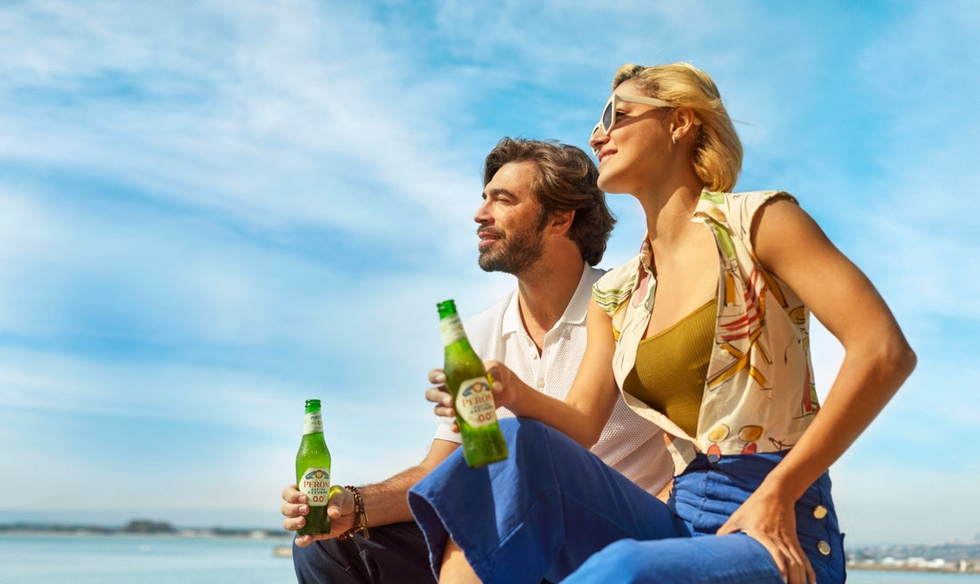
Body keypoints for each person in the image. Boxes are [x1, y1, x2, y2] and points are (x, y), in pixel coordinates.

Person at [409, 62, 916, 584]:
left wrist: (780, 492)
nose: (596, 133)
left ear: (680, 123)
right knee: (514, 444)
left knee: (624, 569)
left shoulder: (759, 223)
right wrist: (511, 390)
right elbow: (582, 423)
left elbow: (883, 352)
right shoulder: (620, 291)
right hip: (679, 517)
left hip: (776, 523)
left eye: (616, 114)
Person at [280, 137, 672, 583]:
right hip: (508, 542)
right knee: (331, 548)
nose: (479, 214)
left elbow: (690, 453)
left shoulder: (631, 307)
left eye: (502, 200)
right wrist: (354, 505)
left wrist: (654, 555)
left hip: (610, 540)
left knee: (519, 442)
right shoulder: (478, 335)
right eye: (484, 198)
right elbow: (437, 471)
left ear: (561, 218)